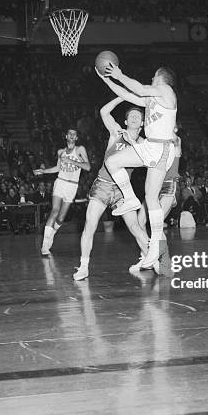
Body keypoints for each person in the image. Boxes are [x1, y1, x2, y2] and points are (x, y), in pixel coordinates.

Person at [97, 64, 177, 268]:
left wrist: (120, 74)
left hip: (161, 148)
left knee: (151, 198)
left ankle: (155, 249)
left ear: (161, 79)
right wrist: (107, 80)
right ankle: (130, 199)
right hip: (149, 146)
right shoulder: (152, 99)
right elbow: (127, 93)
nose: (151, 79)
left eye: (153, 77)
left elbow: (140, 89)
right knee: (112, 160)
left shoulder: (166, 91)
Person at [73, 98, 150, 280]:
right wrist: (123, 96)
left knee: (135, 226)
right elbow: (103, 112)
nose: (133, 117)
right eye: (130, 115)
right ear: (125, 121)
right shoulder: (117, 133)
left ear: (142, 123)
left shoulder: (143, 144)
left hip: (123, 191)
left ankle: (150, 258)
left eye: (137, 116)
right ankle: (84, 266)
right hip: (102, 185)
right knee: (90, 225)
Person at [34, 129, 90, 256]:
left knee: (61, 218)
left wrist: (73, 162)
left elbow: (88, 167)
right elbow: (57, 168)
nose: (71, 135)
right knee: (54, 210)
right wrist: (43, 171)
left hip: (72, 186)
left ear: (76, 138)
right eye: (69, 133)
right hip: (60, 182)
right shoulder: (61, 151)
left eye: (74, 134)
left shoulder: (80, 149)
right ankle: (45, 245)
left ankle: (52, 233)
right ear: (66, 136)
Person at [136, 131, 182, 276]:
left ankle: (165, 263)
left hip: (168, 185)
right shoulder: (153, 143)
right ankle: (146, 255)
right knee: (140, 221)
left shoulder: (175, 140)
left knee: (157, 224)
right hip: (154, 184)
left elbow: (175, 139)